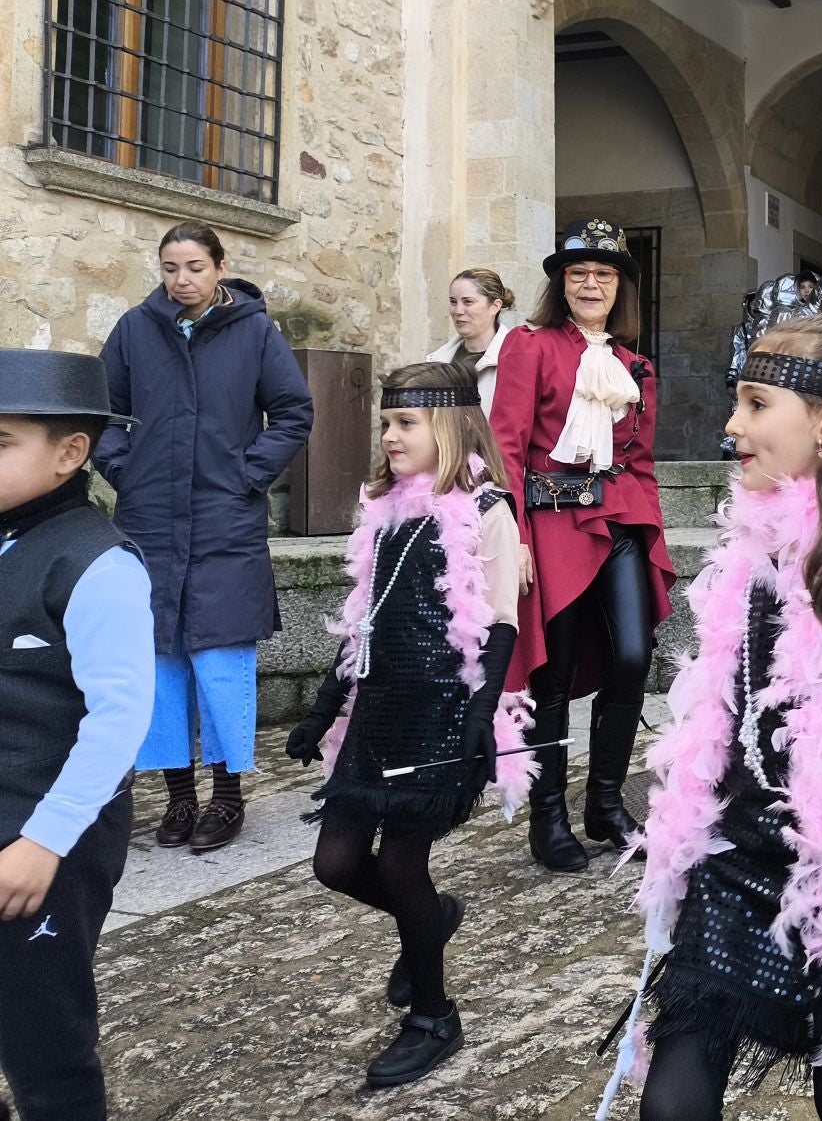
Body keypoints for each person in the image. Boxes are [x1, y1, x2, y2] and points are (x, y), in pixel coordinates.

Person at [599, 316, 822, 1121]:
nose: (732, 425)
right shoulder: (759, 539)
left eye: (756, 404)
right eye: (736, 403)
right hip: (736, 860)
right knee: (672, 1102)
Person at [283, 363, 532, 1088]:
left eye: (405, 424)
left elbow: (500, 624)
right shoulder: (386, 505)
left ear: (449, 427)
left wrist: (481, 718)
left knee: (399, 864)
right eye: (386, 423)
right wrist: (324, 707)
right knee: (335, 863)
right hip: (378, 712)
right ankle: (429, 918)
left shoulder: (485, 508)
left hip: (441, 714)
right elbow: (362, 617)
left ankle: (433, 1015)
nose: (390, 436)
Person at [95, 221, 313, 853]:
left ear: (219, 267)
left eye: (193, 266)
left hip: (224, 519)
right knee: (160, 660)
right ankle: (178, 797)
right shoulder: (137, 328)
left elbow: (293, 411)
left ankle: (225, 797)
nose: (181, 279)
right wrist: (122, 469)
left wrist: (246, 473)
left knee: (221, 659)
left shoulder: (254, 330)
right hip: (150, 519)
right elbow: (105, 410)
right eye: (170, 267)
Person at [490, 217, 674, 872]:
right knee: (554, 673)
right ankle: (548, 819)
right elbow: (506, 447)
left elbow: (643, 460)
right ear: (561, 284)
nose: (591, 282)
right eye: (578, 273)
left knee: (631, 654)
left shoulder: (637, 366)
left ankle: (604, 802)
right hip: (548, 524)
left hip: (619, 522)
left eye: (603, 273)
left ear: (620, 285)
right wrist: (510, 536)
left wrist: (648, 529)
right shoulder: (529, 346)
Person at [0, 351, 152, 1121]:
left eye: (0, 441)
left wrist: (44, 841)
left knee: (42, 1039)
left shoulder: (98, 564)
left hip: (45, 836)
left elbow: (119, 720)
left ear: (69, 452)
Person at [427, 268, 519, 413]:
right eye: (453, 302)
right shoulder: (436, 360)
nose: (458, 311)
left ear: (495, 306)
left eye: (468, 302)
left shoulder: (516, 360)